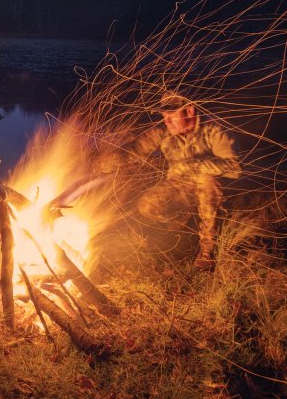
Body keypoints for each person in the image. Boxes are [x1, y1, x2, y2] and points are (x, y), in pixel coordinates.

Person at [96, 92, 242, 270]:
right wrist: (111, 161)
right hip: (181, 186)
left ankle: (208, 249)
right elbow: (136, 149)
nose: (167, 121)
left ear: (189, 111)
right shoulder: (164, 132)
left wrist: (193, 165)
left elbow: (235, 168)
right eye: (164, 117)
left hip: (213, 189)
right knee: (148, 205)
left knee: (207, 182)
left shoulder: (214, 130)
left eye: (172, 116)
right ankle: (184, 226)